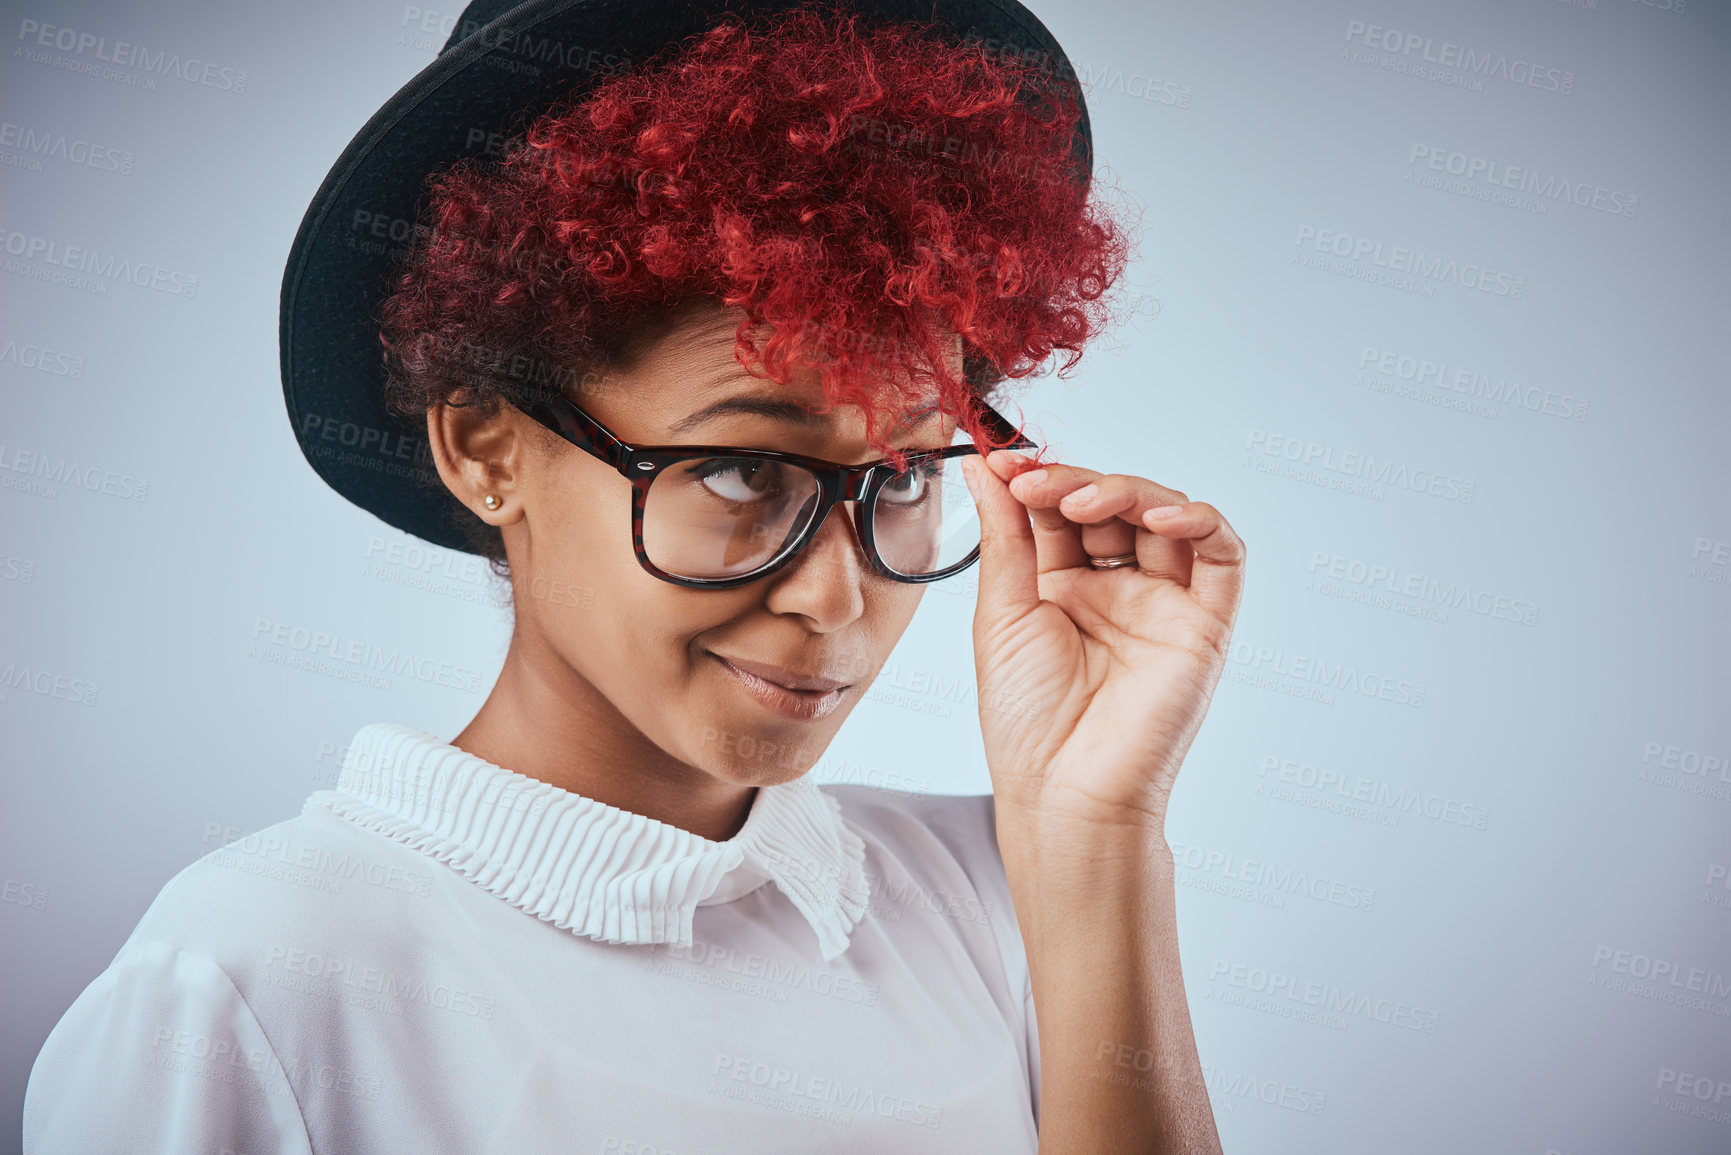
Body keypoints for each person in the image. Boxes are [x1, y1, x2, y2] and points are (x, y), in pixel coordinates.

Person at [23, 2, 1243, 1151]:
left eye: (905, 479)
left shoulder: (1008, 891)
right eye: (736, 474)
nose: (833, 599)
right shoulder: (253, 978)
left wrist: (1097, 832)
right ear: (484, 447)